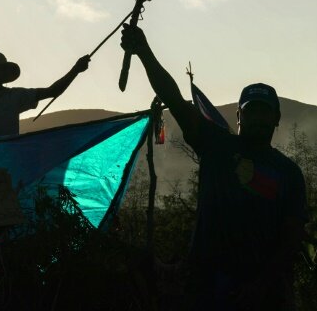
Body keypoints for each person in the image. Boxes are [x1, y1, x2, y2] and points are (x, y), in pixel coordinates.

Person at [121, 23, 307, 311]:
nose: (258, 118)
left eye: (264, 112)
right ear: (239, 116)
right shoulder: (216, 145)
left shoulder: (289, 173)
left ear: (277, 118)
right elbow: (174, 99)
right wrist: (144, 51)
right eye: (251, 111)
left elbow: (291, 240)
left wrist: (261, 285)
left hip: (263, 295)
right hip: (207, 286)